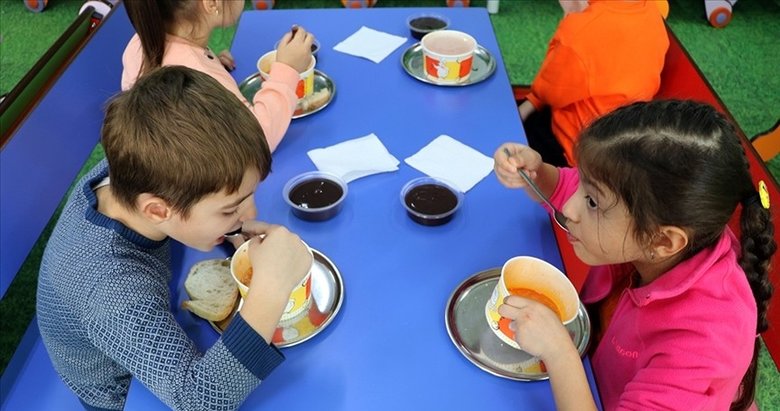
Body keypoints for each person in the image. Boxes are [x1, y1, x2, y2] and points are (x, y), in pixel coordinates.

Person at [37, 66, 313, 411]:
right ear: (157, 210)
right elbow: (199, 402)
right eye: (230, 209)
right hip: (123, 392)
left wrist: (226, 225)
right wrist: (272, 287)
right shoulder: (112, 291)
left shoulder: (136, 169)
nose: (248, 215)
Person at [493, 100, 775, 410]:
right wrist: (537, 174)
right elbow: (572, 187)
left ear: (663, 241)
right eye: (585, 188)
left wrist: (559, 352)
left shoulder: (702, 344)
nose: (570, 208)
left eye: (592, 202)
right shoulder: (665, 232)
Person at [121, 0, 314, 152]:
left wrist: (211, 62)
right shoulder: (197, 76)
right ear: (212, 3)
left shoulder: (142, 41)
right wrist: (287, 69)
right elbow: (258, 141)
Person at [519, 0, 669, 166]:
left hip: (572, 152)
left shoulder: (582, 31)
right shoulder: (653, 9)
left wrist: (571, 16)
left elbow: (549, 93)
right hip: (619, 149)